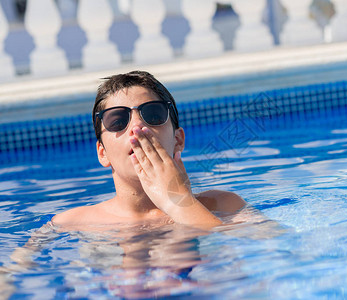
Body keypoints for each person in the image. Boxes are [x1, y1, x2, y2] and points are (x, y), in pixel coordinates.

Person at [51, 70, 246, 230]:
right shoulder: (69, 225)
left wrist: (179, 203)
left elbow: (267, 250)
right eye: (117, 121)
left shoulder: (225, 205)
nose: (137, 128)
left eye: (153, 115)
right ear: (103, 153)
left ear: (178, 140)